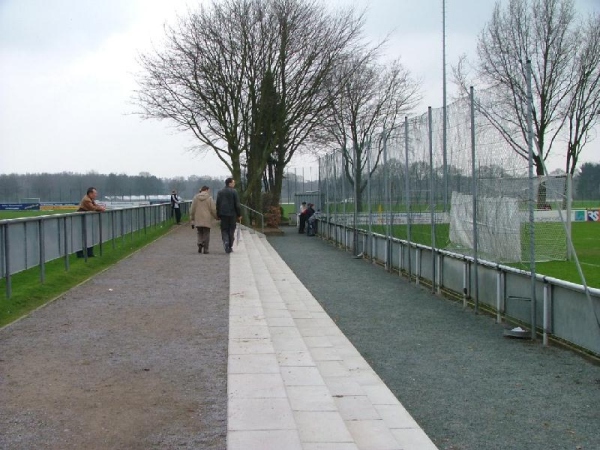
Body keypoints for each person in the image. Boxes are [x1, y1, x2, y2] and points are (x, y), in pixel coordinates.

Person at [76, 187, 106, 258]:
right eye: (95, 193)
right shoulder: (86, 200)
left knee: (89, 236)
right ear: (90, 193)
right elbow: (93, 208)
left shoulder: (90, 199)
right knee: (82, 237)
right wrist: (101, 208)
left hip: (87, 219)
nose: (96, 195)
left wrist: (100, 208)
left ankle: (89, 253)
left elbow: (95, 206)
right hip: (82, 219)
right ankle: (80, 254)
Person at [216, 177, 241, 254]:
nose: (234, 184)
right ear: (229, 183)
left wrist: (218, 214)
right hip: (232, 214)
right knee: (231, 230)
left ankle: (226, 241)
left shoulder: (220, 192)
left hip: (223, 214)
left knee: (224, 229)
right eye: (233, 182)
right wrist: (239, 214)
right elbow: (237, 204)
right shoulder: (234, 192)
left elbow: (218, 204)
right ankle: (230, 245)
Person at [190, 186, 218, 254]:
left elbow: (192, 209)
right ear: (206, 190)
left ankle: (200, 243)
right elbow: (213, 209)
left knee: (199, 232)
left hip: (198, 217)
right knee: (206, 233)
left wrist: (192, 218)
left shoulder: (195, 198)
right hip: (207, 218)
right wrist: (216, 217)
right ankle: (206, 248)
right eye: (209, 190)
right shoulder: (209, 198)